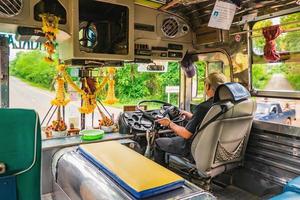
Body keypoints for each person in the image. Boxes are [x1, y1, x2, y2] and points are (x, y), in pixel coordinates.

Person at [154, 72, 227, 166]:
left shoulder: (203, 107)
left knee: (159, 142)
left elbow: (186, 134)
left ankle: (163, 176)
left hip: (194, 147)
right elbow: (209, 121)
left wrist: (169, 124)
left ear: (208, 86)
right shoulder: (224, 105)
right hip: (217, 148)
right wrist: (192, 116)